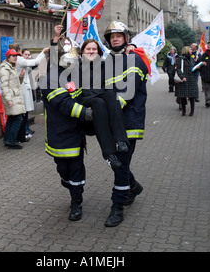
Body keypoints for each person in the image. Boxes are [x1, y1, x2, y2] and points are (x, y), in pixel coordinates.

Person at [40, 36, 93, 221]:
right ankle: (70, 185)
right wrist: (88, 113)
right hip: (58, 133)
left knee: (76, 168)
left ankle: (76, 202)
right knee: (63, 168)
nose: (72, 60)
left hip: (76, 133)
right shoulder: (48, 80)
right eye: (68, 56)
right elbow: (64, 104)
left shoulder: (77, 75)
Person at [102, 21, 149, 227]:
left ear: (126, 38)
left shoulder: (134, 59)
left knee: (120, 164)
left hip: (129, 122)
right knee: (114, 162)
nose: (115, 39)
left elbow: (127, 93)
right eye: (112, 37)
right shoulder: (107, 61)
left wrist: (105, 111)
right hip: (112, 123)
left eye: (119, 36)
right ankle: (133, 186)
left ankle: (117, 208)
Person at [80, 38, 129, 170]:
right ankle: (109, 154)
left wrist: (130, 49)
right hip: (87, 100)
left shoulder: (104, 65)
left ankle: (120, 140)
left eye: (94, 49)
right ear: (82, 52)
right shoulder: (76, 67)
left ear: (99, 52)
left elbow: (118, 56)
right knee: (98, 102)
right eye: (88, 49)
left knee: (110, 94)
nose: (91, 51)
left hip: (102, 97)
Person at [9, 43, 49, 142]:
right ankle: (20, 136)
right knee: (23, 113)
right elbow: (35, 61)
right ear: (19, 51)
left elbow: (31, 66)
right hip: (22, 88)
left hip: (22, 87)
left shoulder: (17, 59)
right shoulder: (19, 59)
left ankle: (22, 135)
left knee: (24, 113)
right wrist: (43, 52)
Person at [0, 48, 26, 149]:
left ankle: (8, 140)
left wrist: (20, 77)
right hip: (11, 97)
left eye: (16, 56)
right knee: (18, 119)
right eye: (13, 56)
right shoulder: (5, 69)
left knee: (12, 118)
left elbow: (16, 84)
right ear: (8, 58)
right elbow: (4, 86)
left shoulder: (11, 67)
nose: (15, 57)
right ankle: (12, 141)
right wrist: (9, 99)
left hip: (14, 97)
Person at [175, 46, 198, 116]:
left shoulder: (192, 58)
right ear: (187, 50)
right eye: (190, 49)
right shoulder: (180, 58)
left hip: (192, 79)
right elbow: (178, 69)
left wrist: (197, 67)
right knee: (183, 96)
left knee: (192, 96)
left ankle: (192, 111)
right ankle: (184, 111)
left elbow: (193, 68)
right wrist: (182, 77)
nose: (192, 50)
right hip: (184, 79)